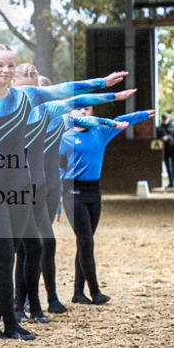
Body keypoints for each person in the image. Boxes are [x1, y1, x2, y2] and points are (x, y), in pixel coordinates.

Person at [0, 43, 127, 340]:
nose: (6, 70)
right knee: (4, 253)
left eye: (10, 65)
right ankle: (10, 324)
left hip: (22, 187)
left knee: (5, 257)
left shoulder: (27, 97)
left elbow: (67, 92)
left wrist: (104, 85)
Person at [11, 65, 131, 324]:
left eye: (38, 93)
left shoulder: (55, 117)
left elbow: (81, 107)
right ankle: (20, 303)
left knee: (43, 244)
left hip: (47, 187)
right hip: (22, 187)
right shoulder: (11, 114)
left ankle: (44, 299)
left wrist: (109, 101)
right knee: (26, 247)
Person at [59, 106, 155, 305]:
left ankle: (78, 292)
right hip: (73, 193)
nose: (83, 112)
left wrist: (144, 115)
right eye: (79, 109)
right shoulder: (64, 138)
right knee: (86, 241)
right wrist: (56, 204)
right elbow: (58, 171)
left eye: (87, 109)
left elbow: (122, 119)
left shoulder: (100, 132)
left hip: (94, 193)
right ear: (70, 114)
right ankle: (95, 292)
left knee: (84, 242)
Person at [156, 113, 174, 190]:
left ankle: (172, 183)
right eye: (164, 119)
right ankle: (171, 183)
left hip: (173, 148)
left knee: (173, 166)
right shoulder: (160, 127)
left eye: (165, 119)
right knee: (168, 167)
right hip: (165, 149)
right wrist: (163, 138)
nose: (164, 120)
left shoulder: (173, 126)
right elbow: (158, 137)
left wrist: (169, 137)